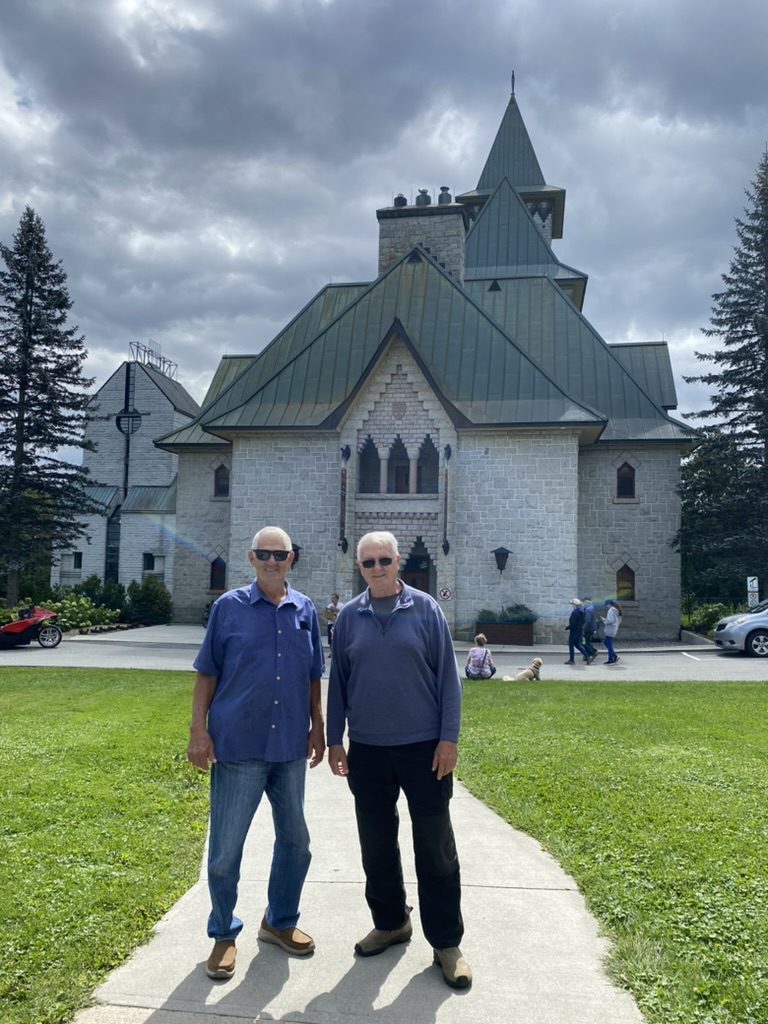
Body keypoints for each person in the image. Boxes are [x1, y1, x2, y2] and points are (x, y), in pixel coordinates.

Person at [327, 531, 471, 989]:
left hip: (423, 748)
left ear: (397, 562)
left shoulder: (426, 609)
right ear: (359, 567)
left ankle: (446, 944)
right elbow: (339, 684)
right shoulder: (348, 618)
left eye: (384, 560)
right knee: (376, 842)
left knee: (435, 845)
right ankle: (391, 922)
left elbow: (449, 679)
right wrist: (335, 740)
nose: (376, 568)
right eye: (367, 562)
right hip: (368, 749)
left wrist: (448, 739)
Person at [187, 526, 325, 982]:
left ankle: (279, 920)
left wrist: (318, 726)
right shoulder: (228, 608)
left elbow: (311, 676)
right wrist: (197, 732)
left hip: (287, 746)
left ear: (291, 558)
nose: (272, 560)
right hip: (238, 744)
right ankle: (224, 935)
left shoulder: (305, 610)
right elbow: (206, 674)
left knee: (296, 842)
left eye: (280, 554)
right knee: (226, 849)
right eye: (264, 553)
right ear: (250, 557)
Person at [565, 598, 589, 665]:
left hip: (574, 631)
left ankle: (571, 660)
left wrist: (567, 627)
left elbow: (573, 623)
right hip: (579, 630)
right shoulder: (581, 611)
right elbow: (583, 621)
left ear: (574, 605)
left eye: (572, 604)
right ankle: (587, 656)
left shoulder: (574, 612)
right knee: (578, 644)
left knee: (571, 645)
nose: (571, 605)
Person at [601, 599, 622, 664]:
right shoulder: (616, 610)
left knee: (608, 644)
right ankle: (614, 655)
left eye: (606, 605)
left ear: (609, 604)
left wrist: (604, 620)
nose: (606, 606)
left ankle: (611, 658)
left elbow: (610, 621)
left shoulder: (611, 611)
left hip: (610, 629)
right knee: (606, 642)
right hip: (613, 629)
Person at [581, 598, 598, 665]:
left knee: (584, 642)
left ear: (585, 602)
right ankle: (588, 654)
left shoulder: (588, 610)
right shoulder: (591, 608)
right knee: (587, 641)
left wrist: (583, 629)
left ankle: (592, 652)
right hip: (591, 628)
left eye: (583, 603)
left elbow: (588, 621)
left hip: (588, 629)